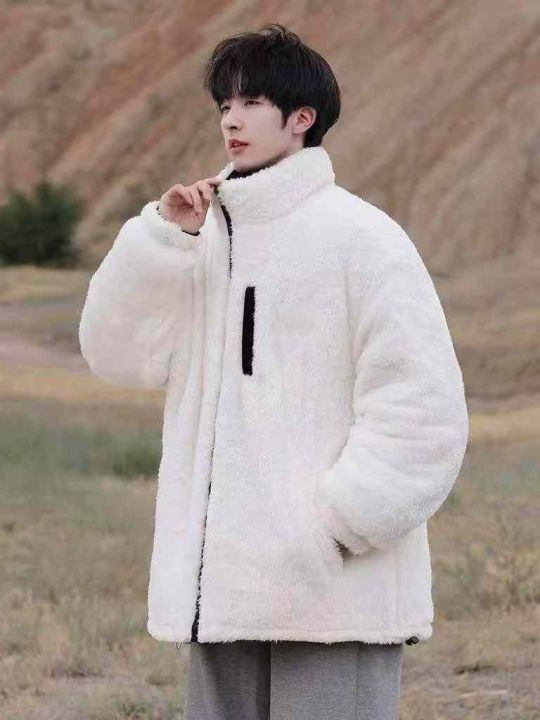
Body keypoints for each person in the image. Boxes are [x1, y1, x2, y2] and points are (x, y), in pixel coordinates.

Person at [79, 23, 469, 720]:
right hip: (221, 595)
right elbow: (116, 355)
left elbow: (423, 408)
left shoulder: (364, 239)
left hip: (332, 595)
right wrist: (163, 240)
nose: (231, 119)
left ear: (301, 118)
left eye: (252, 102)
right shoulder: (199, 238)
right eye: (224, 104)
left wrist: (336, 526)